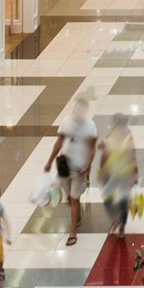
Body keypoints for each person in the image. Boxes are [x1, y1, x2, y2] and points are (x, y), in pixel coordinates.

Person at [44, 91, 98, 247]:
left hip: (79, 169)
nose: (77, 112)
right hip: (64, 167)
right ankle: (77, 214)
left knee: (74, 199)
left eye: (81, 110)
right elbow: (59, 142)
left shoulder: (90, 126)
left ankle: (72, 231)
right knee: (68, 198)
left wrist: (88, 165)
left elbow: (92, 148)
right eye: (76, 109)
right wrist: (49, 161)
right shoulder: (66, 122)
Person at [97, 116, 139, 236]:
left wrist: (135, 174)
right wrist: (102, 171)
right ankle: (116, 219)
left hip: (125, 174)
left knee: (123, 201)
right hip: (111, 174)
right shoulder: (110, 137)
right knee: (107, 201)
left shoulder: (127, 138)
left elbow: (132, 156)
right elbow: (104, 155)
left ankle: (121, 225)